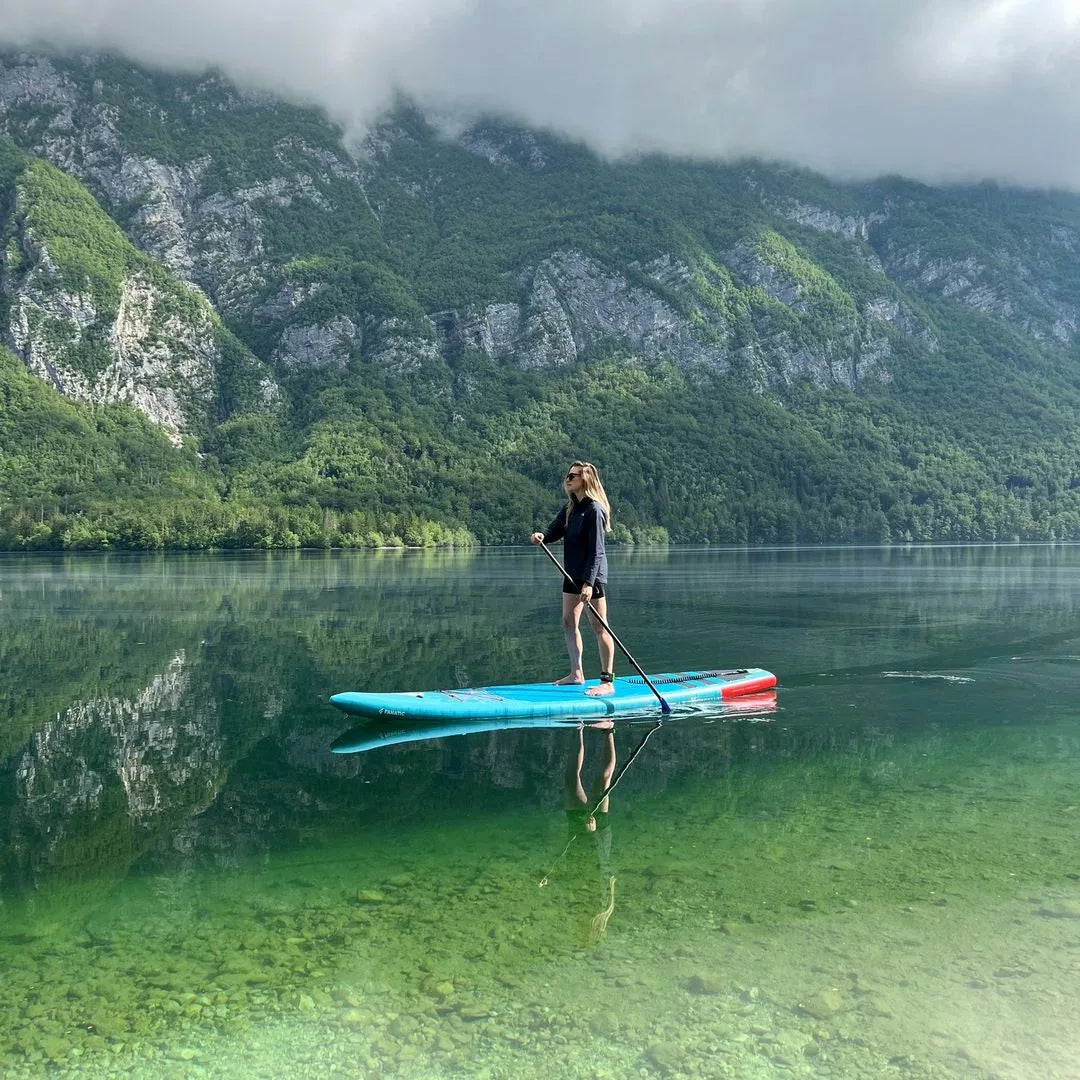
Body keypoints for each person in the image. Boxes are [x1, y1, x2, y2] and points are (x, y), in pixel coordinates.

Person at [530, 460, 615, 696]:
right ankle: (576, 674)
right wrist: (542, 536)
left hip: (592, 576)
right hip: (571, 573)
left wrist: (588, 583)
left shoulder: (595, 510)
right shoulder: (571, 508)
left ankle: (607, 681)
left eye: (574, 476)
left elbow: (597, 551)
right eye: (568, 475)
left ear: (585, 480)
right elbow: (555, 530)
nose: (568, 479)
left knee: (599, 627)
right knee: (568, 622)